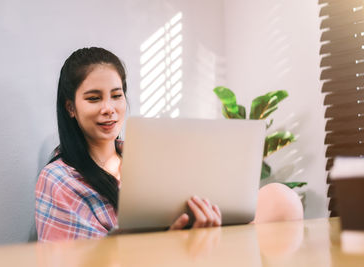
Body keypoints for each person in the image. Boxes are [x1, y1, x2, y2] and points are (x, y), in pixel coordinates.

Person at [35, 47, 302, 242]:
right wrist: (166, 243)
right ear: (70, 107)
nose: (109, 109)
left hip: (195, 245)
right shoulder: (58, 179)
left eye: (117, 96)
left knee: (281, 199)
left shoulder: (146, 152)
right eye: (94, 99)